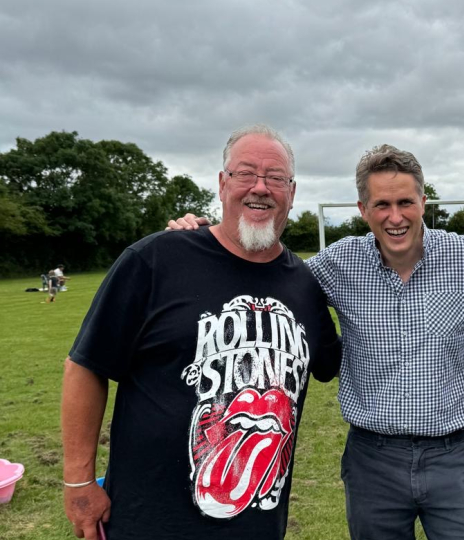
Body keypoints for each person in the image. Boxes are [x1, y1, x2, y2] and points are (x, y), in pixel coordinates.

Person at [169, 146, 464, 540]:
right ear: (363, 209)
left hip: (455, 454)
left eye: (406, 202)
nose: (395, 215)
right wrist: (202, 240)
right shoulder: (338, 264)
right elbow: (264, 279)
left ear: (424, 201)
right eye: (381, 204)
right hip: (372, 458)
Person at [61, 125, 342, 540]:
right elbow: (86, 366)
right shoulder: (156, 259)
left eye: (275, 178)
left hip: (257, 525)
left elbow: (333, 362)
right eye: (245, 173)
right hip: (149, 521)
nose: (260, 188)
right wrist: (78, 482)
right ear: (222, 183)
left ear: (292, 192)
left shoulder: (304, 283)